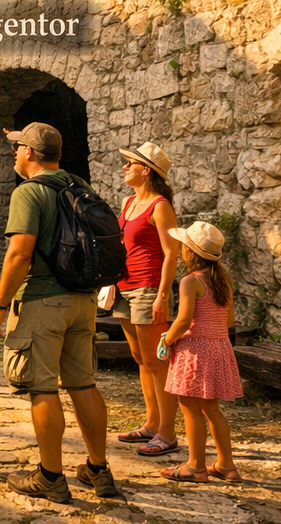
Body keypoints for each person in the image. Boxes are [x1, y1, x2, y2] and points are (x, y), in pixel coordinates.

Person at [0, 123, 122, 503]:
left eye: (17, 147)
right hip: (83, 301)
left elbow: (19, 254)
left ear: (30, 152)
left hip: (44, 301)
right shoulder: (79, 185)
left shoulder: (29, 193)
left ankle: (49, 477)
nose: (14, 153)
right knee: (83, 383)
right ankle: (99, 470)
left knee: (41, 387)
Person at [158, 221, 243, 483]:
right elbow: (229, 319)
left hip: (196, 352)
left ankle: (195, 467)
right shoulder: (223, 281)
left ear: (190, 253)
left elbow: (183, 321)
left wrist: (167, 340)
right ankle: (226, 466)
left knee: (190, 409)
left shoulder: (190, 282)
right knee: (212, 410)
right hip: (219, 347)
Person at [113, 142, 182, 456]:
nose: (126, 167)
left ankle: (167, 433)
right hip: (124, 288)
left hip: (149, 288)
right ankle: (152, 423)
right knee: (141, 359)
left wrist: (163, 296)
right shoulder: (128, 203)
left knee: (158, 361)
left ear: (148, 171)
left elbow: (172, 254)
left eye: (131, 163)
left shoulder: (160, 206)